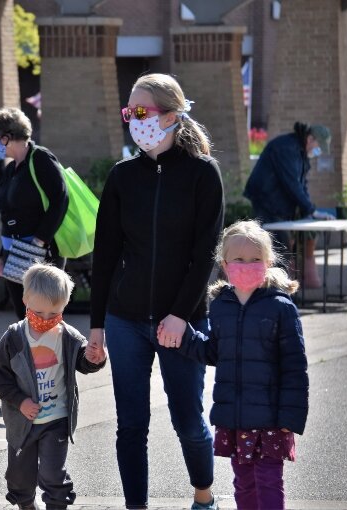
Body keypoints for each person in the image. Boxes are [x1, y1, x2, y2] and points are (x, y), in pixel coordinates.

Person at [88, 73, 224, 510]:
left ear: (172, 114)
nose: (134, 121)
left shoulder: (203, 173)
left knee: (188, 421)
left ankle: (204, 496)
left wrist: (181, 316)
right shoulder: (123, 176)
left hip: (181, 320)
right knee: (130, 424)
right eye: (130, 112)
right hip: (125, 319)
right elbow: (105, 253)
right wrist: (96, 325)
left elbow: (205, 254)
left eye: (142, 112)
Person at [166, 220, 309, 510]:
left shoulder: (281, 307)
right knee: (242, 481)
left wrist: (290, 419)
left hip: (271, 419)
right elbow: (215, 352)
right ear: (225, 263)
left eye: (256, 259)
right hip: (235, 418)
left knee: (268, 479)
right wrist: (186, 338)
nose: (248, 265)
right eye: (239, 259)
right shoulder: (221, 306)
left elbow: (295, 368)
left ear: (268, 262)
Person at [0, 263, 107, 510]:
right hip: (23, 424)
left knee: (53, 474)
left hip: (56, 420)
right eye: (39, 312)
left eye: (53, 314)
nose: (45, 320)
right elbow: (2, 378)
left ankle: (57, 504)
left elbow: (83, 362)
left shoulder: (67, 335)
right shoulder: (13, 338)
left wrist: (95, 358)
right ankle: (26, 504)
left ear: (64, 307)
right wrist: (20, 401)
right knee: (20, 478)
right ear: (25, 300)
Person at [0, 107, 69, 320]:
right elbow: (7, 215)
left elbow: (60, 198)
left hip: (41, 254)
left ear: (7, 137)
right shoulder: (11, 169)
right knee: (24, 319)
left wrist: (40, 240)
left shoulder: (40, 158)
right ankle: (29, 354)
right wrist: (3, 256)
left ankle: (53, 354)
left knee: (44, 318)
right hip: (15, 254)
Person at [243, 122, 334, 287]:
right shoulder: (287, 148)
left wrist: (310, 210)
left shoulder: (300, 153)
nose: (317, 151)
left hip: (278, 205)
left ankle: (277, 290)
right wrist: (311, 210)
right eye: (318, 146)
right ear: (310, 138)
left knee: (281, 248)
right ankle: (274, 291)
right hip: (267, 201)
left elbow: (302, 184)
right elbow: (292, 183)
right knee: (277, 248)